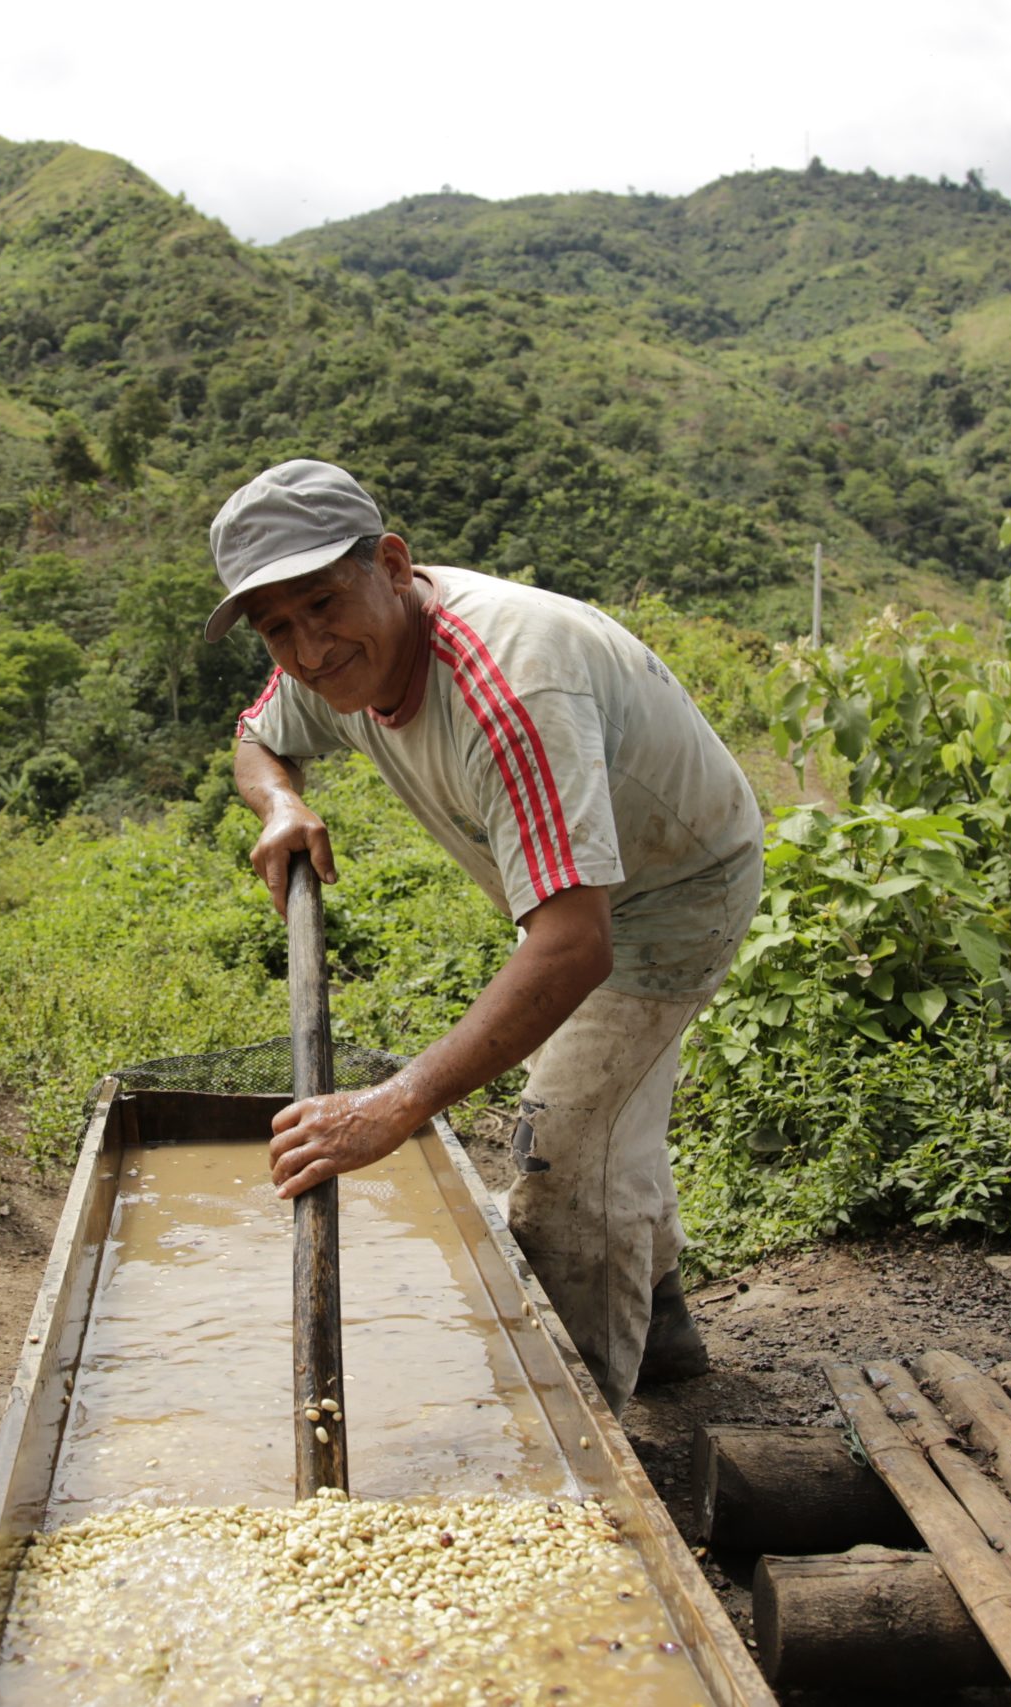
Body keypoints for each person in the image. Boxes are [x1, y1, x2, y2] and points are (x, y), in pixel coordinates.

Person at [210, 458, 764, 1413]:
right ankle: (663, 1329)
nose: (307, 650)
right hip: (587, 890)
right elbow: (256, 737)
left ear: (391, 564)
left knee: (561, 1156)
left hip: (670, 889)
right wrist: (279, 804)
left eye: (321, 604)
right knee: (610, 1117)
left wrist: (395, 1104)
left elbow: (575, 946)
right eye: (277, 628)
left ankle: (573, 1433)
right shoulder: (343, 655)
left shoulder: (508, 688)